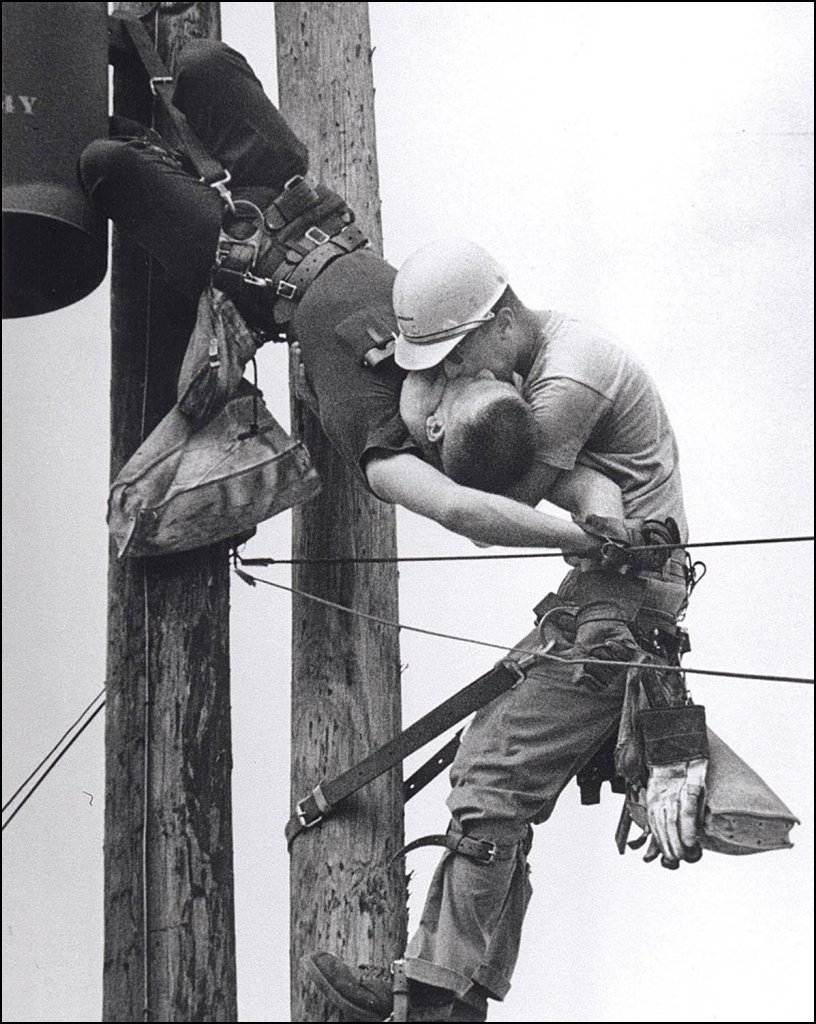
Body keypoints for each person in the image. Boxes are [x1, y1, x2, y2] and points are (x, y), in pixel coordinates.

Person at [305, 242, 708, 1022]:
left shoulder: (568, 377)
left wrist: (408, 412)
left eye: (455, 358)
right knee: (487, 772)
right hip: (602, 600)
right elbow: (580, 488)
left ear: (499, 321)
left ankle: (430, 1002)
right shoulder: (532, 358)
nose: (452, 377)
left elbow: (475, 496)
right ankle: (444, 992)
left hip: (618, 613)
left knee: (492, 782)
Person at [79, 37, 616, 560]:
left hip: (240, 255)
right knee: (201, 62)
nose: (466, 369)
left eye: (467, 386)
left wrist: (575, 543)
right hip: (294, 195)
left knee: (104, 161)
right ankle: (150, 86)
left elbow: (460, 510)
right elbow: (589, 486)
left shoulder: (386, 445)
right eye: (487, 376)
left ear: (436, 429)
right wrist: (613, 532)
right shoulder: (453, 367)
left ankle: (103, 118)